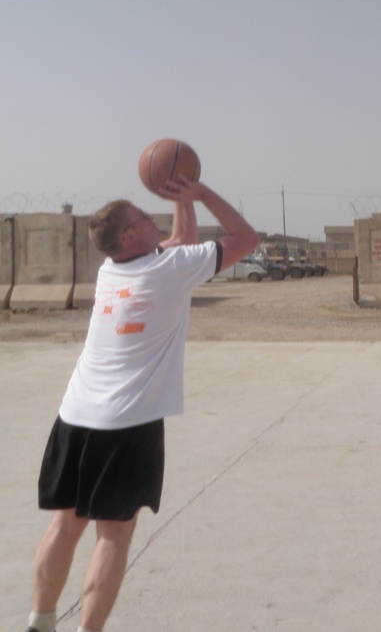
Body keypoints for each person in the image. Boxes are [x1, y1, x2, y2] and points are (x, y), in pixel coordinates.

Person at [23, 176, 259, 632]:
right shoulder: (169, 269)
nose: (151, 220)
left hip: (74, 415)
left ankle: (39, 622)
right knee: (113, 535)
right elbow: (245, 239)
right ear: (130, 235)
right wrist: (202, 193)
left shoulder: (112, 270)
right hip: (126, 424)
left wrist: (180, 200)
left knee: (64, 526)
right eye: (143, 217)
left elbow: (180, 241)